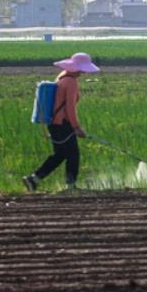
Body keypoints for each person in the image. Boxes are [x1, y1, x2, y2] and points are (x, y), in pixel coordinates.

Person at [23, 52, 100, 191]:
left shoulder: (62, 76)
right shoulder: (71, 82)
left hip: (55, 123)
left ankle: (33, 179)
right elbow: (70, 107)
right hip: (63, 124)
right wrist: (76, 127)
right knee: (73, 155)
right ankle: (70, 186)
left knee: (60, 154)